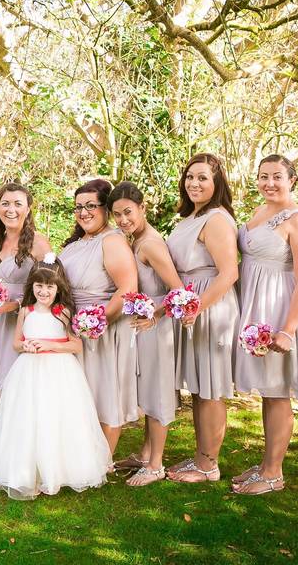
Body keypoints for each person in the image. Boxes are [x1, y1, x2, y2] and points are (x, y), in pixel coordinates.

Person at [232, 155, 298, 495]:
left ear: (292, 180)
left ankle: (274, 474)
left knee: (277, 393)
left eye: (276, 177)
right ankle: (265, 464)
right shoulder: (260, 212)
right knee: (267, 393)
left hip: (278, 310)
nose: (269, 183)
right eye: (263, 176)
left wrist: (288, 329)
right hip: (254, 306)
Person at [0, 255, 112, 499]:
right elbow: (16, 343)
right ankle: (28, 470)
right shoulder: (25, 311)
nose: (43, 291)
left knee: (56, 417)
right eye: (39, 286)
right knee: (30, 417)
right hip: (29, 371)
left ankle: (59, 471)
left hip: (59, 372)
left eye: (49, 286)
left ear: (58, 288)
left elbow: (76, 345)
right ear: (31, 287)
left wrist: (48, 345)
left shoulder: (63, 312)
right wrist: (27, 347)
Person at [165, 153, 240, 484]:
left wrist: (198, 306)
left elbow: (229, 273)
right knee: (198, 386)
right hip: (191, 300)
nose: (194, 183)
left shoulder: (217, 220)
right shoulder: (193, 216)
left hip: (211, 304)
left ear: (217, 183)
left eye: (203, 178)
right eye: (190, 177)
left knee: (210, 387)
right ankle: (200, 456)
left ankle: (209, 465)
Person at [108, 182, 184, 486]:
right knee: (147, 390)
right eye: (117, 214)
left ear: (142, 208)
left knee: (158, 393)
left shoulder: (150, 244)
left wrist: (156, 313)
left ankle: (156, 465)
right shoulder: (135, 240)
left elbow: (177, 291)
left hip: (156, 328)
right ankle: (144, 453)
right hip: (141, 327)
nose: (123, 219)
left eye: (128, 212)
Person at [58, 179, 138, 457]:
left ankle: (103, 460)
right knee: (80, 392)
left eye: (91, 206)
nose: (84, 212)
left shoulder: (112, 240)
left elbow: (128, 288)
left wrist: (96, 321)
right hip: (73, 326)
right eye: (79, 207)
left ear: (106, 208)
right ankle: (80, 456)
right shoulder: (74, 245)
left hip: (102, 328)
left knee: (105, 391)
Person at [0, 183, 52, 399]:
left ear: (28, 209)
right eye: (5, 204)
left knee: (14, 388)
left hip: (20, 321)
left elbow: (51, 288)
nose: (11, 210)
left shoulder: (38, 243)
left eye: (18, 204)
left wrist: (13, 305)